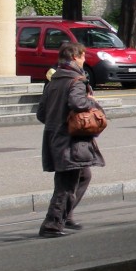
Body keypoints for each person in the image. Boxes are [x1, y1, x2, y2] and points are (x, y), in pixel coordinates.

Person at [35, 42, 105, 237]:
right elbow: (77, 102)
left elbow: (41, 113)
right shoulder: (77, 80)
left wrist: (56, 120)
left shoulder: (53, 80)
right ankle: (52, 225)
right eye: (83, 57)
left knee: (83, 175)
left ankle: (66, 215)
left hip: (54, 138)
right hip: (70, 141)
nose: (84, 61)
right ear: (75, 56)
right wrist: (91, 101)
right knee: (66, 184)